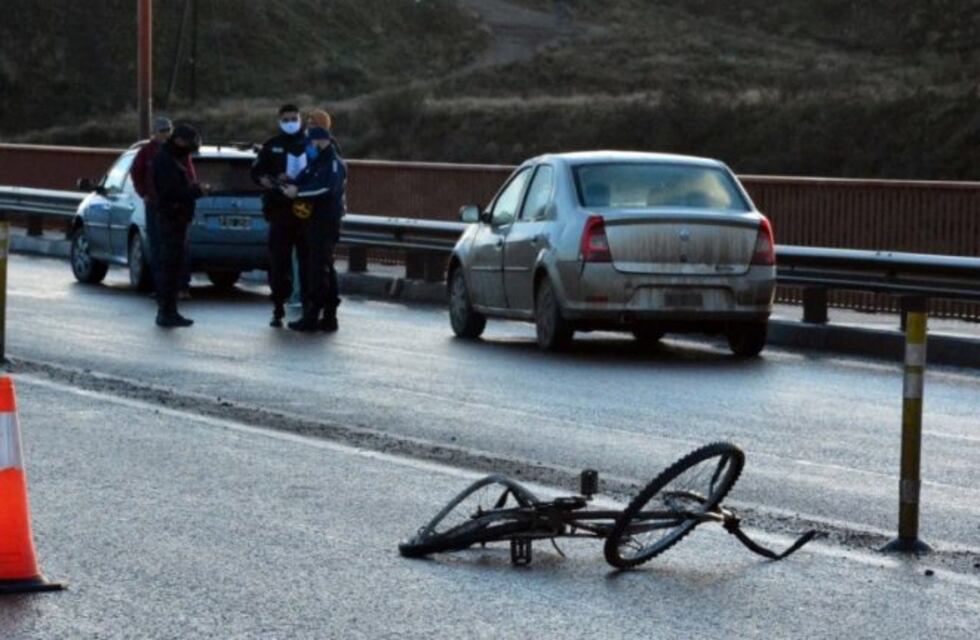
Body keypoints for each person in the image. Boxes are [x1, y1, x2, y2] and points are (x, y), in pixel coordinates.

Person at [282, 126, 347, 332]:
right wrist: (286, 183)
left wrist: (298, 193)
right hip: (312, 222)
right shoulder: (316, 163)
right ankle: (325, 316)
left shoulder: (334, 164)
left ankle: (316, 314)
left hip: (325, 222)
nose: (308, 149)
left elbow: (326, 189)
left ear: (319, 141)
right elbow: (302, 179)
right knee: (320, 266)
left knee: (320, 268)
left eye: (310, 144)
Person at [251, 104, 309, 327]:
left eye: (294, 118)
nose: (291, 122)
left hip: (306, 211)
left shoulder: (310, 144)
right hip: (280, 211)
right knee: (279, 261)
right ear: (279, 121)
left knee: (308, 259)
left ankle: (308, 304)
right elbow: (256, 172)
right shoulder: (272, 145)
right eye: (286, 119)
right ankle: (278, 306)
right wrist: (269, 178)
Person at [151, 124, 208, 328]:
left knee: (174, 267)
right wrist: (195, 192)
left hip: (178, 218)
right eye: (189, 142)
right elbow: (170, 192)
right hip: (171, 218)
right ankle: (166, 311)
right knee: (170, 266)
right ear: (179, 141)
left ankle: (170, 310)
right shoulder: (165, 161)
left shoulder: (174, 158)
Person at [130, 116, 171, 292]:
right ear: (155, 133)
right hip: (154, 204)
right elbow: (136, 173)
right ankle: (158, 285)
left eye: (168, 131)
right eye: (162, 131)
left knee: (172, 246)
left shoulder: (176, 151)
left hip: (173, 205)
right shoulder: (146, 152)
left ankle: (174, 285)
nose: (165, 135)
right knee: (156, 244)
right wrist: (144, 193)